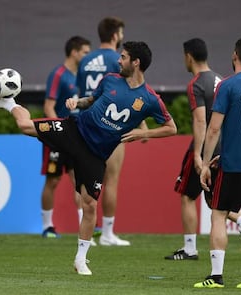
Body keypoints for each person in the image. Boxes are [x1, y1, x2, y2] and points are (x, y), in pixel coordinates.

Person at [0, 41, 177, 276]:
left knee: (90, 205)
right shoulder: (110, 79)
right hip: (74, 130)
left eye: (123, 57)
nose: (118, 60)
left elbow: (171, 128)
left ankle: (81, 259)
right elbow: (91, 101)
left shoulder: (150, 99)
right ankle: (8, 102)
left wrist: (144, 133)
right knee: (24, 126)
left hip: (96, 154)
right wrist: (77, 102)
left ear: (136, 63)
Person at [194, 38, 241, 289]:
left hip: (234, 164)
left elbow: (214, 128)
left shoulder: (227, 85)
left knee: (218, 215)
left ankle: (216, 277)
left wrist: (205, 163)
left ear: (234, 55)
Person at [164, 38, 241, 260]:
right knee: (215, 198)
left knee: (186, 194)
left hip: (206, 146)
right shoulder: (220, 80)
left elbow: (201, 121)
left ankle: (190, 248)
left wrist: (198, 154)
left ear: (188, 57)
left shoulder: (196, 83)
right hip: (225, 145)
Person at [76, 16, 146, 246]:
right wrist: (141, 125)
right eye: (121, 34)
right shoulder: (117, 60)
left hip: (84, 125)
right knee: (111, 180)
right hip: (109, 126)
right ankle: (106, 233)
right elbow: (129, 93)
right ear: (115, 35)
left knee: (85, 180)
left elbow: (83, 95)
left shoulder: (85, 60)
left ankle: (85, 231)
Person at [40, 36, 91, 238]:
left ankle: (83, 225)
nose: (88, 56)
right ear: (74, 52)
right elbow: (48, 107)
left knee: (79, 181)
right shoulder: (58, 74)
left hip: (75, 136)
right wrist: (57, 132)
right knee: (52, 181)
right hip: (57, 137)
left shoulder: (81, 76)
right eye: (85, 52)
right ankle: (47, 227)